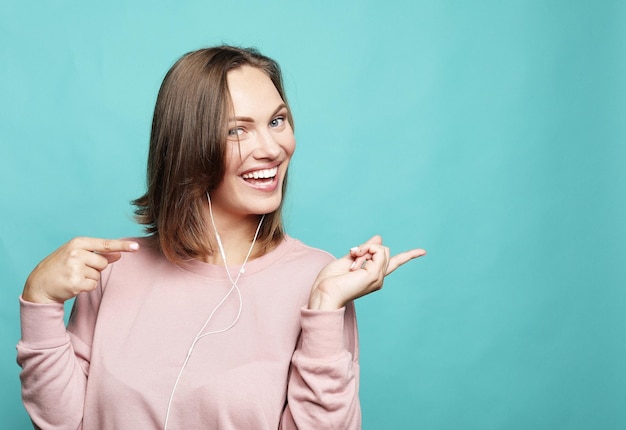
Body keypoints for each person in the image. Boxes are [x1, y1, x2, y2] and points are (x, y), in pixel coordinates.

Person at [16, 46, 425, 429]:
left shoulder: (320, 279)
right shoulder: (112, 271)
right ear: (188, 146)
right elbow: (63, 424)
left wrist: (323, 307)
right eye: (237, 131)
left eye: (277, 121)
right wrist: (39, 300)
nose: (271, 148)